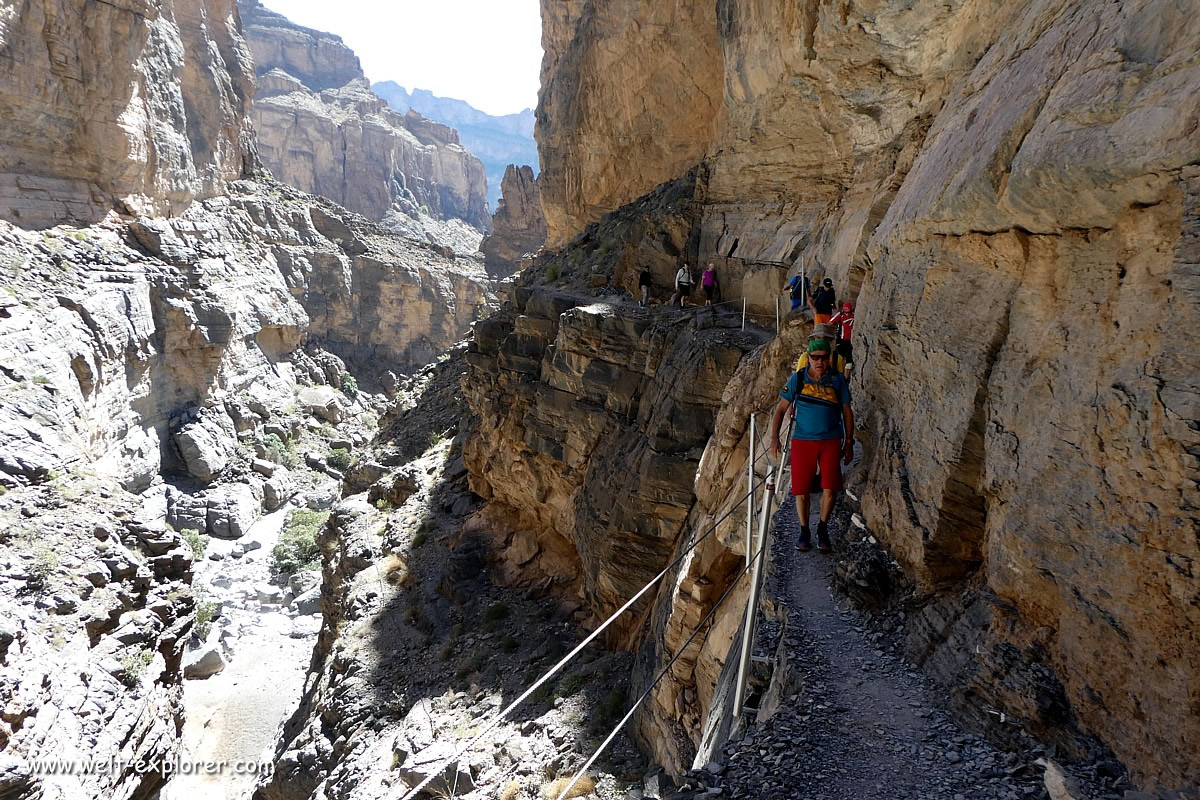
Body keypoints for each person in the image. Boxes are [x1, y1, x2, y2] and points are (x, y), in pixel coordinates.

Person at [770, 338, 854, 553]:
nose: (820, 362)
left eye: (824, 358)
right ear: (808, 359)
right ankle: (804, 530)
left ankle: (823, 529)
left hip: (831, 440)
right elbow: (780, 409)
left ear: (828, 359)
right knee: (801, 489)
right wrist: (774, 439)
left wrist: (849, 442)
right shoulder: (798, 379)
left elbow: (846, 411)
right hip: (803, 441)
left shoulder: (837, 380)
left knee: (830, 487)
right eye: (815, 358)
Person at [828, 300, 854, 379]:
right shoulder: (840, 315)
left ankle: (846, 379)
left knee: (849, 360)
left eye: (848, 312)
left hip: (849, 341)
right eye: (845, 312)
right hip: (840, 340)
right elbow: (829, 323)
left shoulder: (854, 315)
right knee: (839, 357)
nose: (847, 314)